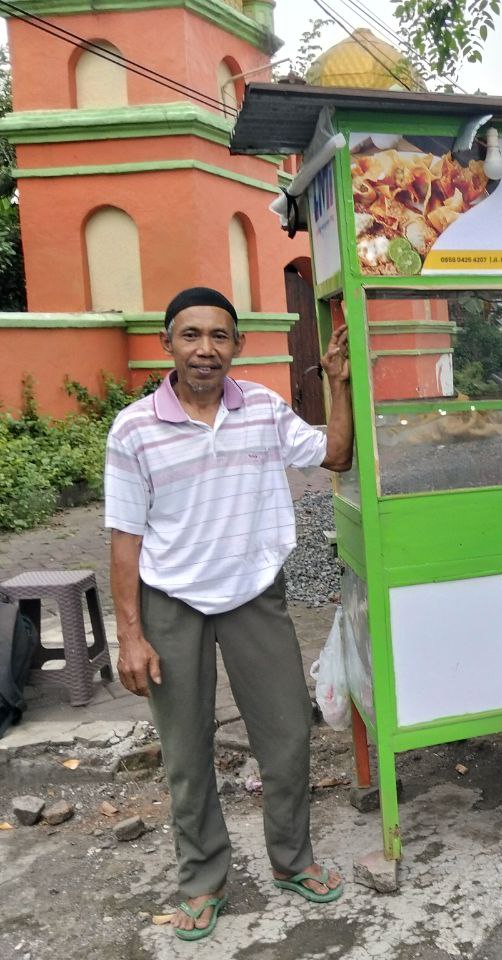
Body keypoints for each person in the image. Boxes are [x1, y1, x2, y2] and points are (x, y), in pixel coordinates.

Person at [104, 287, 355, 942]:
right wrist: (130, 636)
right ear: (166, 343)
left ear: (237, 345)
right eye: (191, 335)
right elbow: (124, 538)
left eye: (219, 336)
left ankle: (293, 860)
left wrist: (337, 384)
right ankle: (202, 881)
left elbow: (334, 454)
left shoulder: (264, 410)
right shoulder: (134, 429)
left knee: (288, 735)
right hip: (171, 603)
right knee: (186, 750)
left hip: (254, 594)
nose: (205, 349)